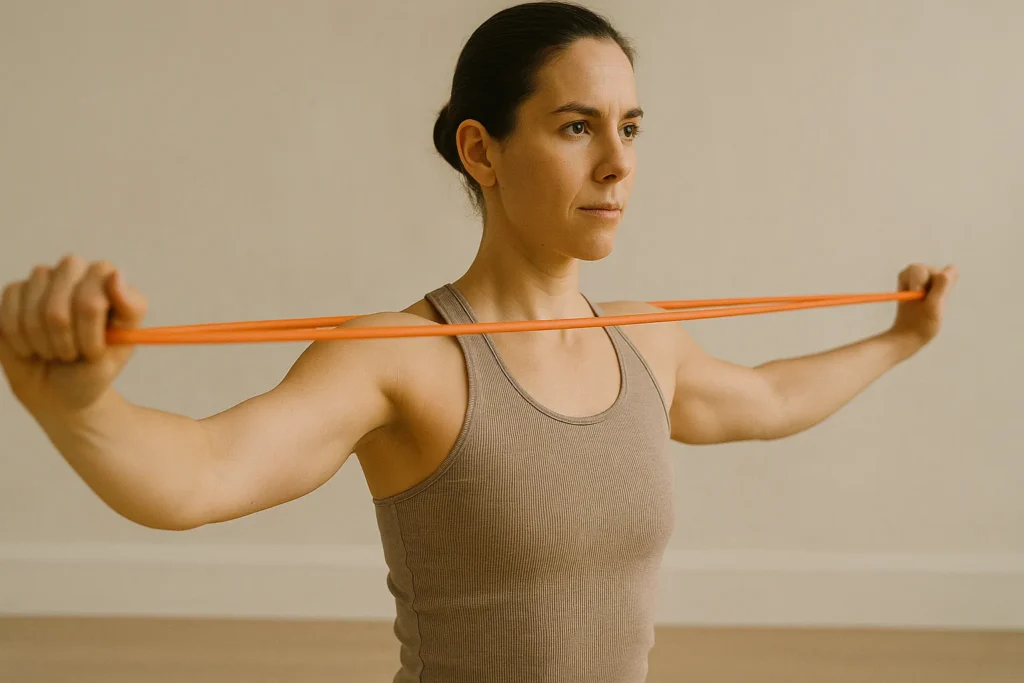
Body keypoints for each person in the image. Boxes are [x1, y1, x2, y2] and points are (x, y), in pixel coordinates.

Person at [0, 2, 958, 681]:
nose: (619, 163)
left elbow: (774, 397)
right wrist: (75, 402)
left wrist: (900, 339)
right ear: (480, 150)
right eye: (576, 126)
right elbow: (200, 473)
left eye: (630, 125)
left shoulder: (645, 344)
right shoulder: (399, 358)